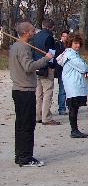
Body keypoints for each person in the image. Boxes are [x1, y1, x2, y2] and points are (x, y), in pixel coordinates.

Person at [9, 22, 54, 166]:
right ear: (27, 32)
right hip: (24, 90)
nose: (35, 32)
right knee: (27, 125)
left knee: (21, 125)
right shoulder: (22, 47)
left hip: (19, 90)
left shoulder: (16, 46)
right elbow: (28, 67)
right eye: (33, 30)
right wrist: (46, 58)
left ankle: (20, 155)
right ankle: (26, 158)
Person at [61, 33, 88, 138]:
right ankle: (74, 130)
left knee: (75, 108)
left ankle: (75, 129)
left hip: (75, 83)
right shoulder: (71, 55)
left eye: (78, 43)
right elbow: (83, 67)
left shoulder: (74, 54)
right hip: (73, 84)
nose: (77, 45)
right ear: (70, 43)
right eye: (75, 43)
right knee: (73, 108)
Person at [33, 19, 59, 125]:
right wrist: (52, 66)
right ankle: (46, 117)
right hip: (46, 67)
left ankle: (38, 115)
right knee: (48, 92)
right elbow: (51, 54)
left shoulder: (35, 37)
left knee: (38, 93)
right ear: (52, 27)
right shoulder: (49, 38)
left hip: (36, 66)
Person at [55, 30, 69, 115]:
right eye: (64, 36)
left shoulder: (70, 46)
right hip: (61, 70)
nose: (65, 38)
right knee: (62, 90)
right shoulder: (57, 45)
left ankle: (69, 106)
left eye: (66, 37)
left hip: (69, 70)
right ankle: (61, 108)